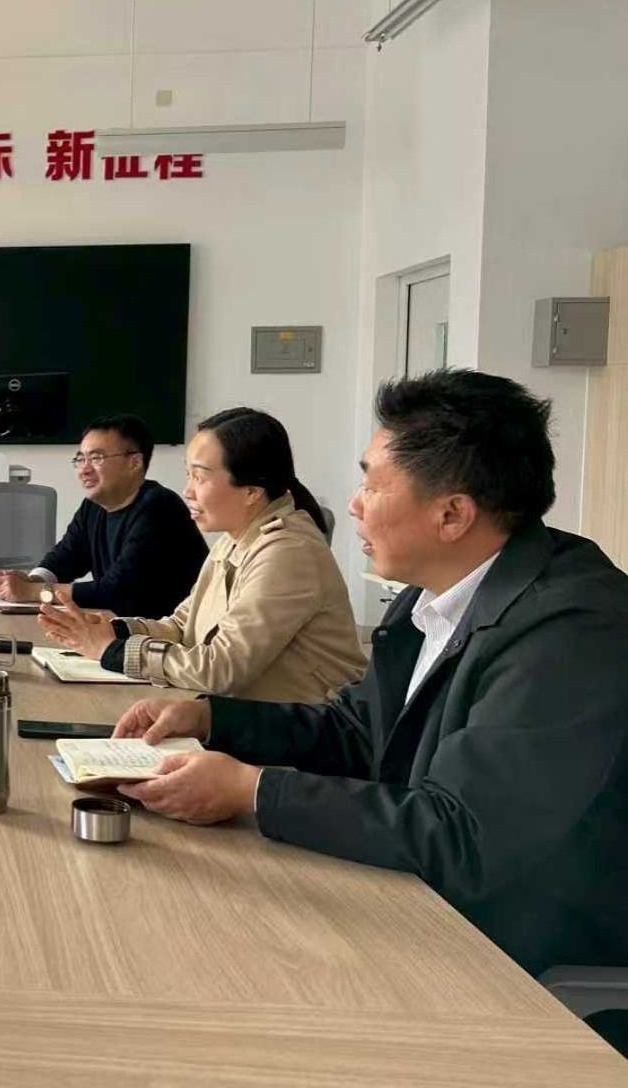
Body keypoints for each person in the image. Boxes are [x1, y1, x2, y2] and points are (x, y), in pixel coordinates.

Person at [111, 370, 628, 984]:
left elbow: (462, 837)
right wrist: (211, 717)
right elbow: (359, 732)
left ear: (453, 514)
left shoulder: (571, 629)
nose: (353, 504)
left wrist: (253, 791)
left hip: (513, 947)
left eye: (372, 485)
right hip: (419, 899)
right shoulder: (430, 597)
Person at [39, 407, 365, 703]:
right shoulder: (233, 540)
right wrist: (115, 630)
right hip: (246, 717)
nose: (188, 491)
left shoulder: (289, 552)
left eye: (200, 477)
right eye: (188, 475)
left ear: (252, 491)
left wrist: (112, 650)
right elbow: (182, 626)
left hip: (302, 735)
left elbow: (223, 668)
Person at [0, 415, 205, 618]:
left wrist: (34, 592)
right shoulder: (93, 507)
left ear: (134, 462)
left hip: (169, 637)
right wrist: (33, 579)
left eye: (96, 458)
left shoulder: (159, 508)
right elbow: (66, 557)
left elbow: (115, 591)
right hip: (126, 629)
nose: (84, 469)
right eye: (81, 459)